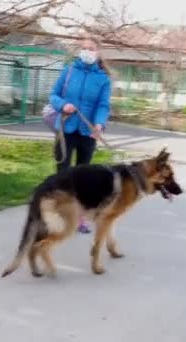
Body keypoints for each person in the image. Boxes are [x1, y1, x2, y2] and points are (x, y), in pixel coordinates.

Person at [49, 37, 112, 234]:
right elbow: (53, 95)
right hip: (66, 128)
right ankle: (59, 213)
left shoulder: (103, 79)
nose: (86, 51)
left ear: (98, 52)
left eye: (90, 48)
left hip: (88, 132)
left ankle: (79, 218)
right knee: (63, 174)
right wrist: (62, 105)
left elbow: (103, 105)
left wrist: (99, 124)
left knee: (83, 176)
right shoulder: (68, 71)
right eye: (83, 48)